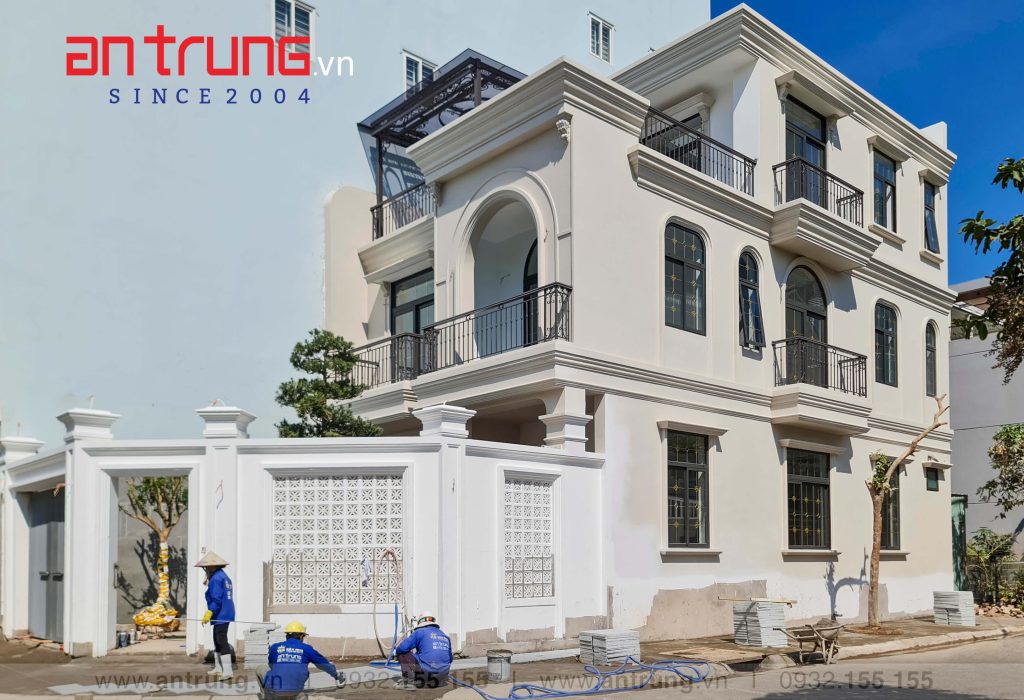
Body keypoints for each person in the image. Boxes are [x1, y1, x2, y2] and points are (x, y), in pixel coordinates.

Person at [261, 621, 344, 699]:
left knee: (260, 669)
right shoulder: (306, 649)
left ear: (286, 635)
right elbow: (323, 664)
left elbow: (271, 664)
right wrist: (336, 675)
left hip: (275, 691)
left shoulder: (275, 647)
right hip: (295, 691)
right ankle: (295, 696)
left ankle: (266, 697)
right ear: (301, 636)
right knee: (303, 672)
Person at [195, 551, 236, 680]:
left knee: (221, 640)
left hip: (221, 613)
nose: (206, 569)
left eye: (207, 567)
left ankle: (228, 671)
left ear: (213, 566)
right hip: (224, 612)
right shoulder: (223, 576)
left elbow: (217, 599)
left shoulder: (217, 578)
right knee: (216, 640)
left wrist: (210, 612)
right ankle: (218, 668)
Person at [393, 612, 453, 691]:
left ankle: (408, 683)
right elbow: (450, 659)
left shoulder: (420, 632)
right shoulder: (445, 635)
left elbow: (403, 648)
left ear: (421, 623)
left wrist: (396, 653)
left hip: (427, 673)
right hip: (443, 675)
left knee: (403, 655)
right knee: (422, 657)